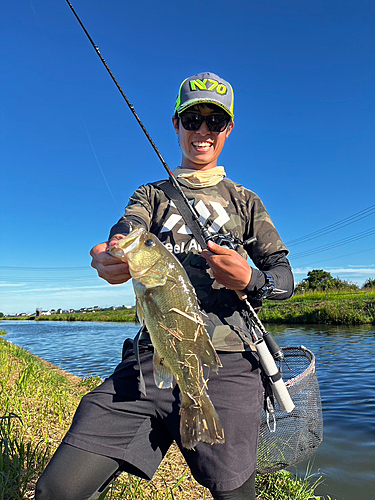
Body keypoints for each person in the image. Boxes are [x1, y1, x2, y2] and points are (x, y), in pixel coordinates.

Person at [35, 72, 294, 500]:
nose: (203, 131)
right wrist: (110, 252)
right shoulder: (152, 195)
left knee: (235, 494)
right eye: (193, 119)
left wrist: (251, 279)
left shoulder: (247, 202)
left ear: (228, 129)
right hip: (150, 359)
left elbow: (284, 278)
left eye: (216, 121)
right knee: (58, 489)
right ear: (176, 124)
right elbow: (126, 228)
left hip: (227, 363)